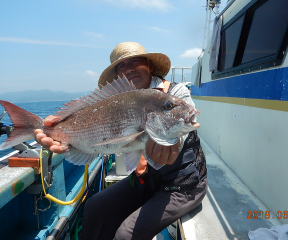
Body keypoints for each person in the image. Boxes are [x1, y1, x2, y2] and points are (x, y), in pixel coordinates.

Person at [35, 42, 207, 240]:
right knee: (94, 206)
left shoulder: (175, 94)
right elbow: (108, 141)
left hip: (183, 185)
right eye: (121, 66)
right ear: (118, 76)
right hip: (146, 182)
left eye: (135, 61)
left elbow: (178, 135)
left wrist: (172, 145)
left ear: (150, 66)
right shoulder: (117, 100)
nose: (128, 69)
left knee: (125, 235)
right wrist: (68, 136)